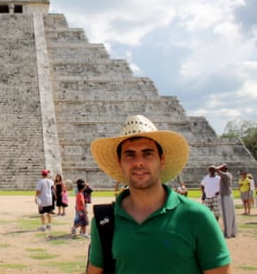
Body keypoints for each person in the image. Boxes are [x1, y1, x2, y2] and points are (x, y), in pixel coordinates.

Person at [87, 115, 231, 274]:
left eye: (148, 153)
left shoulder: (197, 217)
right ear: (119, 162)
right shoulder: (104, 221)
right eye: (130, 154)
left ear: (162, 160)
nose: (139, 162)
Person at [215, 163, 237, 238]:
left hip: (226, 197)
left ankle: (227, 233)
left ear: (224, 169)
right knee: (231, 215)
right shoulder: (227, 175)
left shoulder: (225, 175)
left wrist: (221, 165)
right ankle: (232, 232)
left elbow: (216, 169)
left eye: (222, 169)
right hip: (227, 195)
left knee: (226, 216)